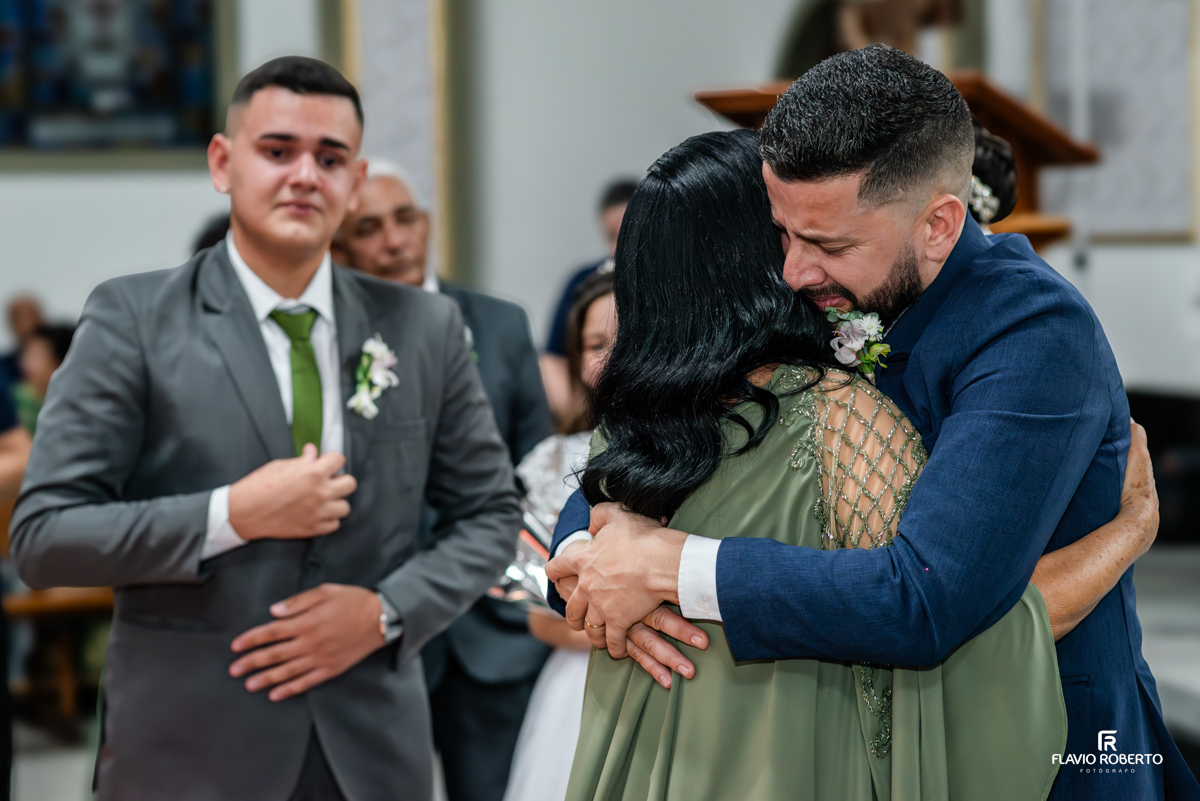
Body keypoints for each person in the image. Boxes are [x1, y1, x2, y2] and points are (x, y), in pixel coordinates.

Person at [547, 46, 1196, 801]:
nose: (791, 271)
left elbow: (923, 596)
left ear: (939, 226)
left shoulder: (1032, 334)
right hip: (833, 738)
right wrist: (587, 550)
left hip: (1046, 743)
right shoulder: (831, 288)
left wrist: (667, 563)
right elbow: (660, 425)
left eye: (825, 244)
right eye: (782, 233)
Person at [10, 56, 520, 801]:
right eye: (278, 151)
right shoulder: (134, 320)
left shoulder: (423, 327)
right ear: (224, 162)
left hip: (370, 747)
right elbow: (45, 535)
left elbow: (490, 515)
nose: (305, 175)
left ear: (354, 180)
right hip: (191, 746)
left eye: (330, 157)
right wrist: (230, 515)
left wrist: (384, 611)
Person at [333, 159, 553, 801]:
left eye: (405, 218)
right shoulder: (335, 339)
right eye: (369, 228)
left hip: (494, 628)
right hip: (379, 627)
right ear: (343, 247)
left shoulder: (500, 323)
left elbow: (536, 473)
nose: (394, 240)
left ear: (426, 223)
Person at [503, 268, 614, 801]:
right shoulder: (555, 459)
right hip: (578, 682)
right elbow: (538, 617)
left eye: (627, 336)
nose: (612, 356)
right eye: (595, 344)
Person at [539, 179, 637, 425]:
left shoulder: (674, 283)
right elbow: (552, 359)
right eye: (612, 235)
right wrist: (581, 416)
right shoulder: (583, 281)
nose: (621, 246)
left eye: (630, 231)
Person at [13, 324, 75, 434]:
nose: (26, 364)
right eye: (26, 355)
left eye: (36, 356)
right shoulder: (15, 401)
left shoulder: (76, 407)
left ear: (61, 362)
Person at [1, 296, 44, 385]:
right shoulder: (4, 365)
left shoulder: (60, 358)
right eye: (20, 317)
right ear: (11, 323)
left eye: (31, 315)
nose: (26, 324)